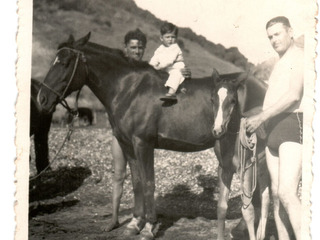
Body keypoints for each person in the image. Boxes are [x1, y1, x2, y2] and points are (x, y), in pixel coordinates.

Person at [105, 28, 191, 233]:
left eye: (140, 48)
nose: (136, 51)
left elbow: (167, 75)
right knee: (119, 174)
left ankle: (140, 216)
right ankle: (117, 217)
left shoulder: (147, 68)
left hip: (137, 127)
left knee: (137, 171)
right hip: (121, 128)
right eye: (133, 47)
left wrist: (183, 74)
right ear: (125, 48)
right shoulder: (119, 70)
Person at [246, 16, 304, 240]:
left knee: (288, 193)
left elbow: (293, 96)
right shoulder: (279, 63)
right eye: (270, 36)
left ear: (290, 31)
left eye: (277, 34)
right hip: (273, 131)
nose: (273, 40)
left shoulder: (299, 57)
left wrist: (260, 117)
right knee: (277, 196)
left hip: (292, 125)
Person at [149, 22, 186, 100]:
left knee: (176, 75)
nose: (170, 39)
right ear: (161, 38)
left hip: (176, 67)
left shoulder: (175, 47)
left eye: (173, 37)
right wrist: (151, 66)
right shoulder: (160, 49)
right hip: (166, 68)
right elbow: (155, 57)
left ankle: (171, 93)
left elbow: (169, 60)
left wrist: (158, 67)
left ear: (176, 38)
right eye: (167, 37)